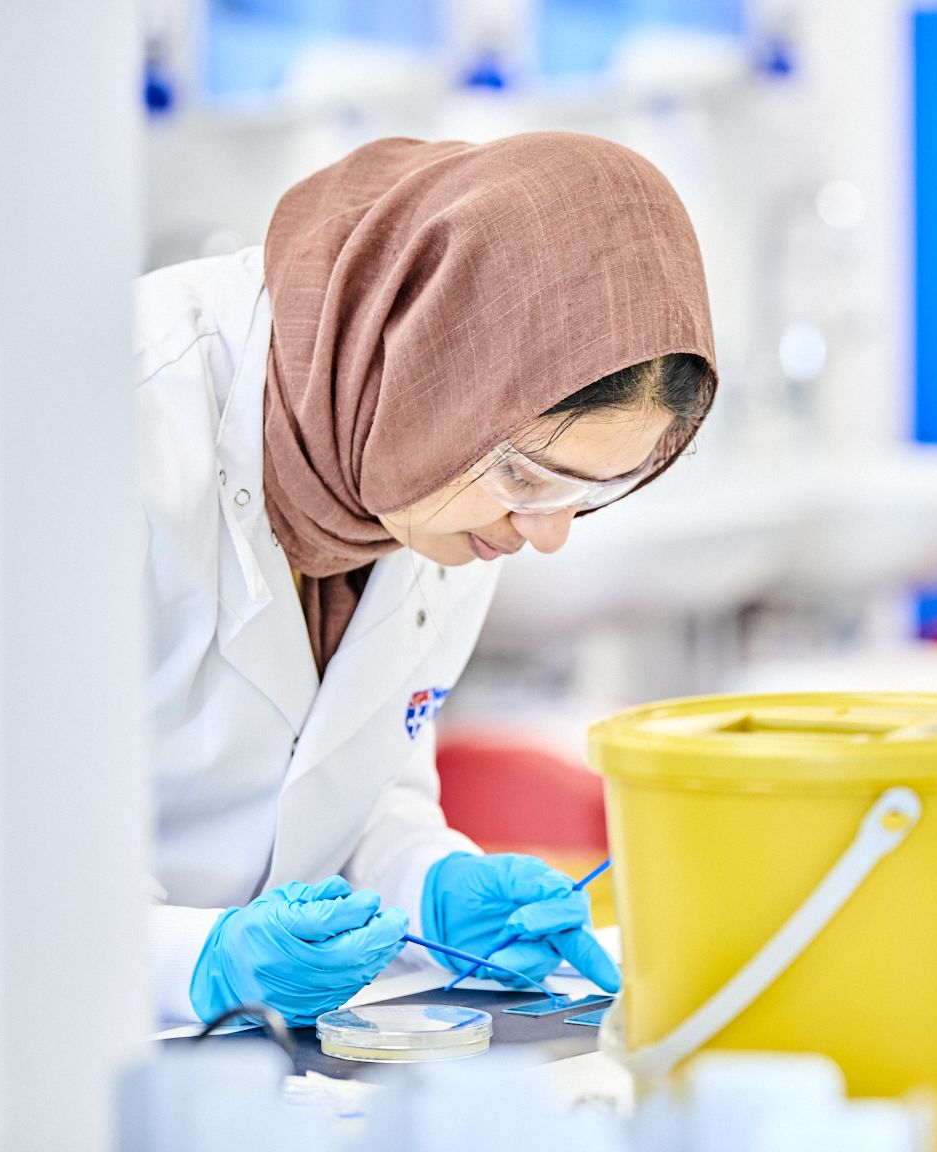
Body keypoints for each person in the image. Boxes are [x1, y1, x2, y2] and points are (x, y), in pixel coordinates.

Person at [137, 133, 717, 1025]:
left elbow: (356, 800)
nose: (550, 534)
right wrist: (195, 962)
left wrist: (430, 880)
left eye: (592, 494)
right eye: (530, 480)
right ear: (422, 375)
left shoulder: (428, 474)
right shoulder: (118, 428)